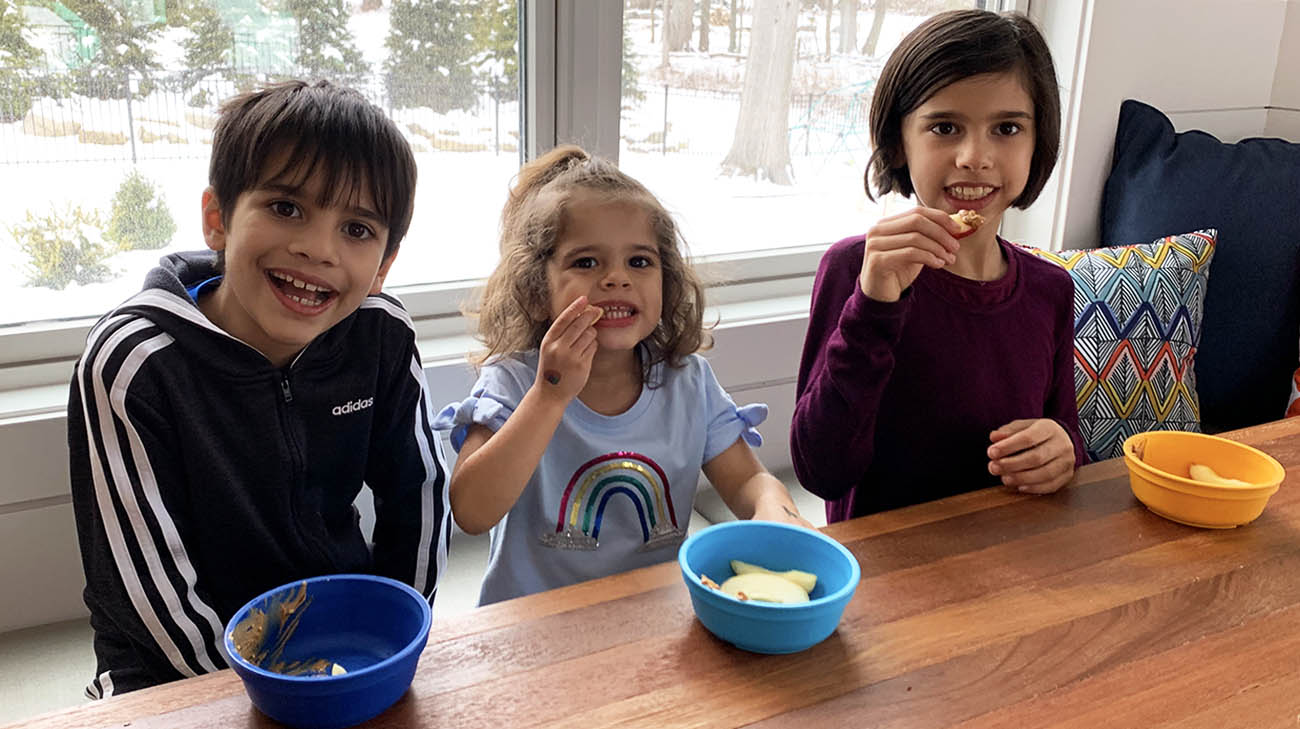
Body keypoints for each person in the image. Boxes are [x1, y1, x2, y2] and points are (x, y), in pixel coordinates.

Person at [67, 80, 451, 696]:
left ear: (384, 263)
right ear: (218, 219)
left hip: (338, 639)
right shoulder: (134, 361)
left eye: (356, 229)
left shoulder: (381, 334)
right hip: (172, 666)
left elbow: (419, 493)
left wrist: (395, 630)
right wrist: (256, 695)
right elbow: (142, 588)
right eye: (286, 208)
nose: (316, 249)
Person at [434, 145, 811, 605]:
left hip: (650, 623)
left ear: (666, 281)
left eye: (639, 261)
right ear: (536, 291)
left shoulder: (688, 383)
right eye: (586, 262)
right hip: (530, 630)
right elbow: (472, 511)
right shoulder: (512, 382)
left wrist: (775, 509)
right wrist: (549, 397)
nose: (616, 278)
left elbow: (749, 482)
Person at [791, 10, 1087, 523]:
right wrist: (874, 304)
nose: (975, 156)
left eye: (1007, 127)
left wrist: (1062, 452)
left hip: (1012, 562)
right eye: (945, 127)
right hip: (886, 581)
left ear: (1038, 142)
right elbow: (822, 470)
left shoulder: (1050, 289)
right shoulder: (855, 270)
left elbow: (1064, 434)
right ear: (899, 143)